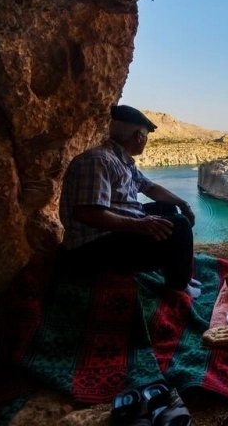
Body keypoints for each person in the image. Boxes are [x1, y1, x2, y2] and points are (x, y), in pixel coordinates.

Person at [59, 105, 201, 297]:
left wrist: (183, 203)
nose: (146, 141)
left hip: (112, 234)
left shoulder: (120, 160)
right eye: (146, 137)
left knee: (167, 208)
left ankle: (177, 271)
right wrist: (140, 225)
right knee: (180, 227)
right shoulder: (98, 161)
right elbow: (86, 213)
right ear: (139, 137)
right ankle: (178, 286)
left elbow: (149, 188)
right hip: (93, 248)